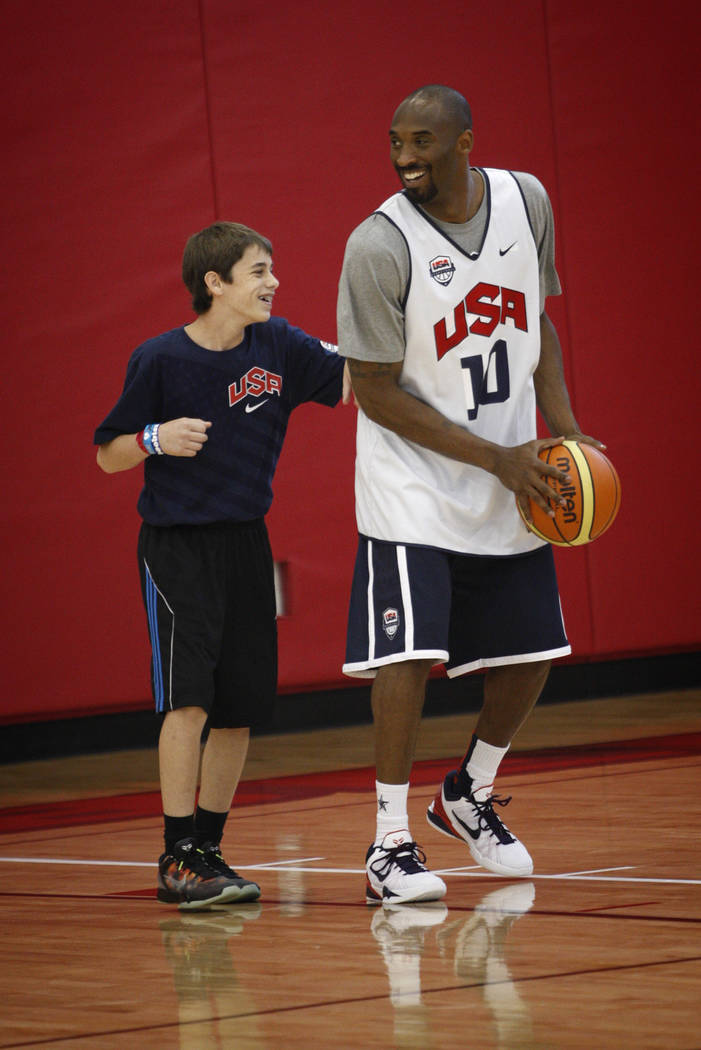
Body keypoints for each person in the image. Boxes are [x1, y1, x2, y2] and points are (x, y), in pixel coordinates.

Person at [337, 85, 604, 905]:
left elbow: (536, 323)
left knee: (530, 657)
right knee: (410, 656)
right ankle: (388, 845)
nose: (404, 155)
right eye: (394, 141)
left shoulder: (526, 200)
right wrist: (500, 459)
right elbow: (375, 392)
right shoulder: (378, 245)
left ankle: (467, 792)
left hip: (512, 465)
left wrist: (562, 433)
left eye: (421, 140)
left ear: (464, 142)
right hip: (412, 480)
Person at [95, 221, 348, 910]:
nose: (272, 282)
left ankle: (207, 849)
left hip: (246, 543)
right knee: (190, 699)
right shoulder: (160, 360)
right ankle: (175, 854)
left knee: (237, 710)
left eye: (272, 270)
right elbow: (107, 451)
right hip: (178, 546)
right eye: (257, 270)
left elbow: (353, 379)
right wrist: (154, 437)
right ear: (215, 282)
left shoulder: (280, 345)